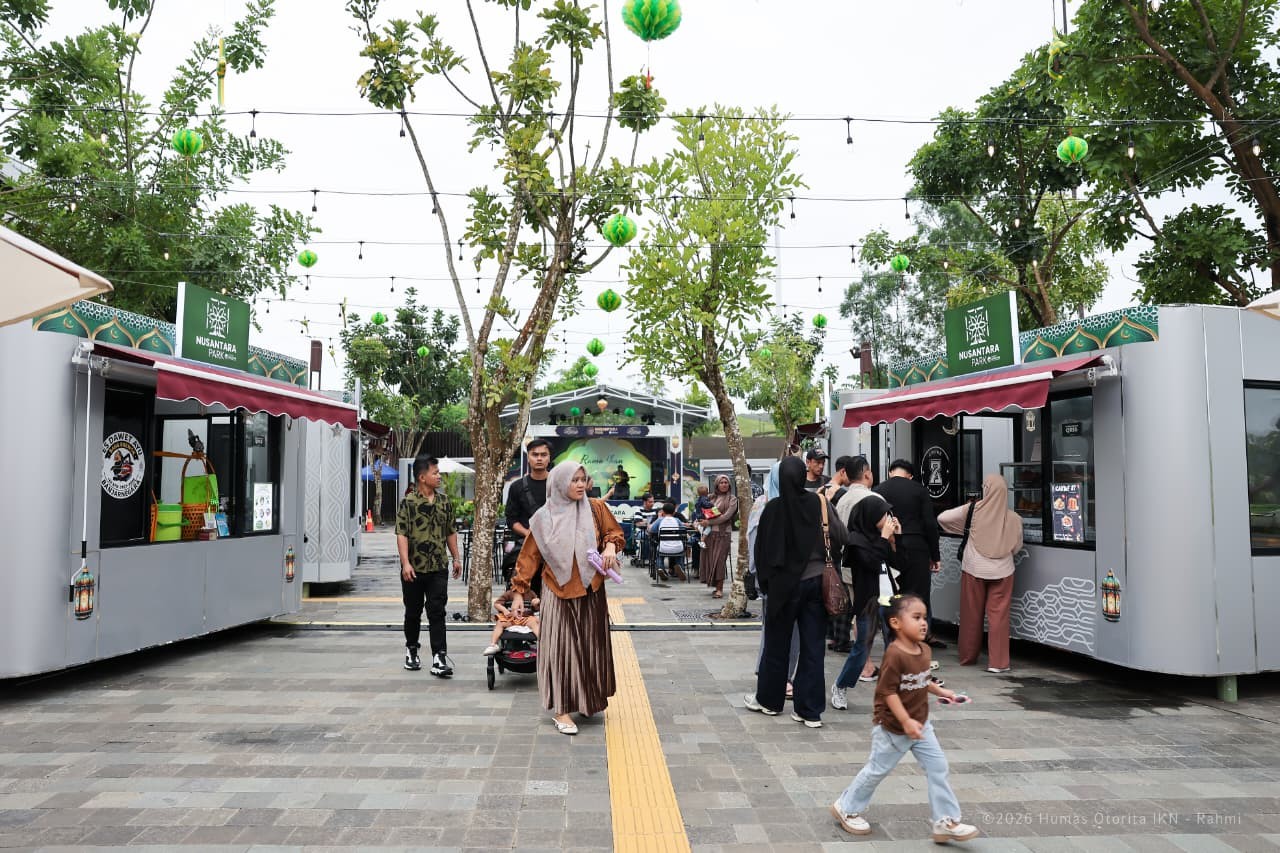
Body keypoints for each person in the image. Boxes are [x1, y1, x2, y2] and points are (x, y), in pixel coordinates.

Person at [830, 594, 979, 843]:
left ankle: (946, 821)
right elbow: (888, 692)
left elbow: (922, 679)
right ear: (896, 623)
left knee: (938, 768)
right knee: (877, 770)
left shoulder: (925, 650)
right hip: (892, 728)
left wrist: (943, 692)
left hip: (921, 725)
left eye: (924, 617)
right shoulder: (895, 654)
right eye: (916, 617)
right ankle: (845, 807)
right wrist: (905, 721)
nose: (923, 623)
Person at [510, 463, 626, 735]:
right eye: (574, 480)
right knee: (561, 650)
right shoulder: (543, 517)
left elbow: (615, 533)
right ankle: (561, 710)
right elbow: (529, 557)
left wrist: (610, 546)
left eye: (583, 479)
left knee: (590, 648)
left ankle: (586, 700)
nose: (580, 484)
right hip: (558, 590)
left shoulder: (596, 508)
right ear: (560, 483)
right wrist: (518, 592)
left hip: (591, 590)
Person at [745, 456, 848, 727]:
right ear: (803, 476)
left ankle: (769, 701)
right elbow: (842, 536)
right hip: (816, 583)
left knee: (776, 645)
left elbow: (762, 552)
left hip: (782, 588)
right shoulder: (819, 503)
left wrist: (764, 584)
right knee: (813, 648)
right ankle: (809, 711)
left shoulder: (773, 509)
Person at [937, 473, 1024, 674]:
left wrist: (965, 526)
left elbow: (942, 518)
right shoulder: (1014, 518)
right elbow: (1016, 547)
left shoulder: (973, 510)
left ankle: (968, 657)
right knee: (999, 618)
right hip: (1003, 571)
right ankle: (999, 663)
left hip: (974, 569)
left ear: (986, 490)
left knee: (971, 614)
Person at [830, 489, 898, 711]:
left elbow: (899, 562)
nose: (887, 518)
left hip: (889, 598)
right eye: (883, 514)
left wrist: (895, 539)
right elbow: (871, 562)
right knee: (862, 648)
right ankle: (840, 685)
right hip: (868, 600)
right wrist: (884, 538)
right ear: (870, 516)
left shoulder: (880, 537)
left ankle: (893, 692)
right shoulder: (855, 541)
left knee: (895, 645)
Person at [396, 455, 463, 676]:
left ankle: (439, 657)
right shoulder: (408, 502)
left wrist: (456, 558)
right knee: (413, 612)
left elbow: (450, 531)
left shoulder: (444, 502)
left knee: (437, 611)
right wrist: (405, 563)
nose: (439, 476)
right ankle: (411, 650)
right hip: (413, 569)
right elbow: (402, 534)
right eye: (435, 473)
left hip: (438, 567)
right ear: (422, 477)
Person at [874, 459, 945, 648]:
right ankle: (916, 641)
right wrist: (935, 555)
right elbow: (930, 524)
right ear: (910, 475)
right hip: (916, 547)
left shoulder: (879, 490)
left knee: (891, 595)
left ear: (890, 472)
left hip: (890, 545)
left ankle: (893, 640)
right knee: (917, 595)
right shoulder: (919, 490)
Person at [749, 463, 798, 699]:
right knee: (786, 630)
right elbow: (754, 542)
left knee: (773, 627)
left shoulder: (766, 503)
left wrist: (755, 572)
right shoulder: (770, 504)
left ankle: (769, 671)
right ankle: (781, 676)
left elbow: (752, 542)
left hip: (774, 578)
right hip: (783, 578)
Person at [503, 438, 552, 586]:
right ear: (528, 457)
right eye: (535, 454)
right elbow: (511, 519)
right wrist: (529, 534)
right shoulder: (516, 487)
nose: (539, 458)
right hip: (525, 548)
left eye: (543, 455)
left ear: (549, 458)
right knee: (521, 590)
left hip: (555, 547)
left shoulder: (558, 485)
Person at [700, 475, 738, 598]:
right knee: (711, 560)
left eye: (726, 482)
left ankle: (720, 589)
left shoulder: (732, 499)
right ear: (717, 484)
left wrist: (709, 522)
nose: (724, 484)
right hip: (710, 534)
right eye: (721, 482)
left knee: (720, 560)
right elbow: (702, 510)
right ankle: (716, 586)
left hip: (724, 533)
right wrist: (701, 520)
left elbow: (726, 516)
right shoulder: (711, 497)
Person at [482, 587, 541, 656]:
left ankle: (541, 642)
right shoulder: (509, 593)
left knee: (534, 621)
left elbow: (536, 609)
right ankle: (493, 644)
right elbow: (497, 604)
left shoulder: (531, 593)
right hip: (511, 618)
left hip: (526, 618)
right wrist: (504, 610)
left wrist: (536, 603)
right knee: (500, 623)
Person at [649, 502, 688, 581]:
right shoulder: (677, 520)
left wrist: (658, 518)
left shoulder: (660, 520)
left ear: (663, 512)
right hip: (678, 547)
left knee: (659, 553)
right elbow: (683, 530)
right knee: (679, 554)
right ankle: (680, 568)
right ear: (674, 512)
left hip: (664, 548)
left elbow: (652, 530)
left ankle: (661, 568)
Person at [691, 483, 715, 547]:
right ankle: (703, 539)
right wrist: (712, 505)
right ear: (706, 493)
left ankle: (699, 532)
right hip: (703, 516)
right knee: (709, 528)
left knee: (701, 527)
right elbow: (706, 505)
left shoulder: (698, 500)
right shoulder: (704, 499)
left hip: (698, 516)